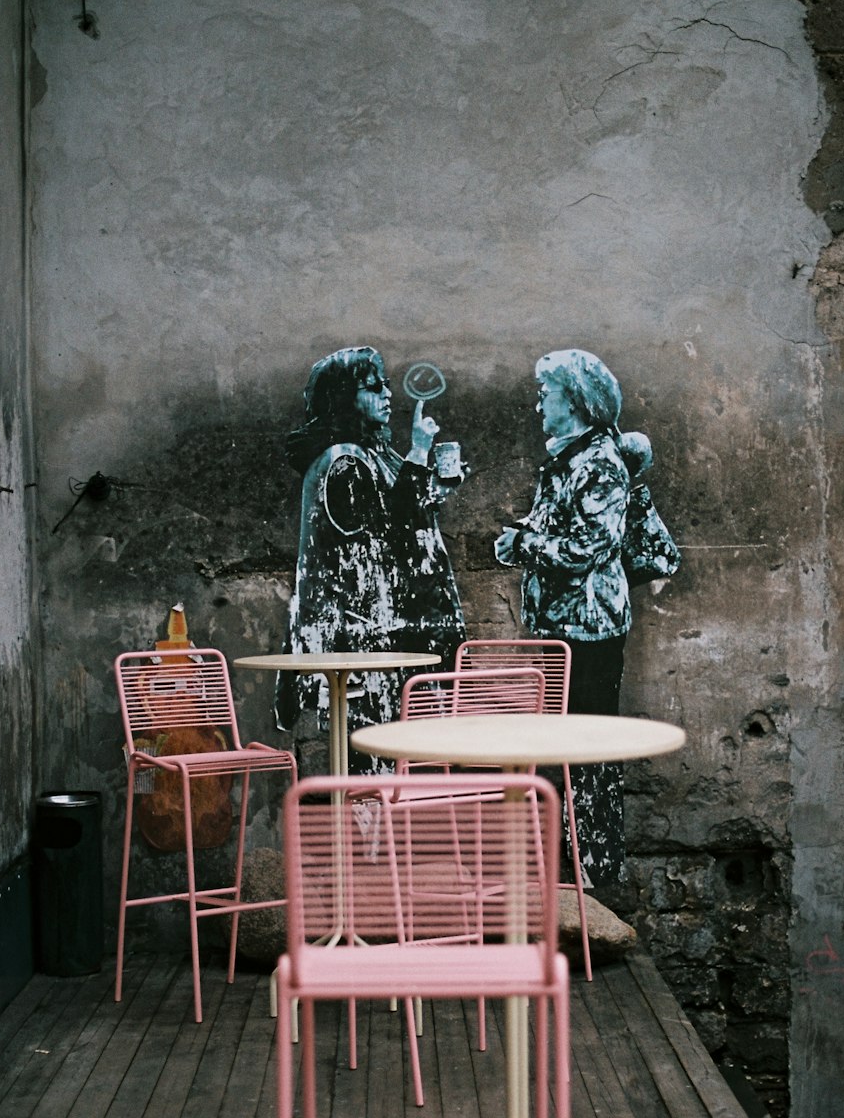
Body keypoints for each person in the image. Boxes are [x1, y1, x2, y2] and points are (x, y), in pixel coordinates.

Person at [495, 348, 679, 891]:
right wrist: (521, 538)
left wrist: (525, 543)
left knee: (591, 753)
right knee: (568, 750)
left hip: (589, 633)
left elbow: (588, 547)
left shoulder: (597, 463)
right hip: (562, 631)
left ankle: (594, 875)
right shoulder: (568, 459)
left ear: (573, 401)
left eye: (544, 394)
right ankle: (572, 872)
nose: (537, 405)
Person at [278, 346, 467, 761]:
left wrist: (436, 487)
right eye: (372, 386)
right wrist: (418, 451)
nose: (387, 394)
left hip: (390, 640)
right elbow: (390, 532)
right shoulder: (343, 461)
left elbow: (400, 509)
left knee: (402, 765)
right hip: (368, 649)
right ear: (344, 398)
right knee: (376, 770)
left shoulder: (371, 454)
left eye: (385, 384)